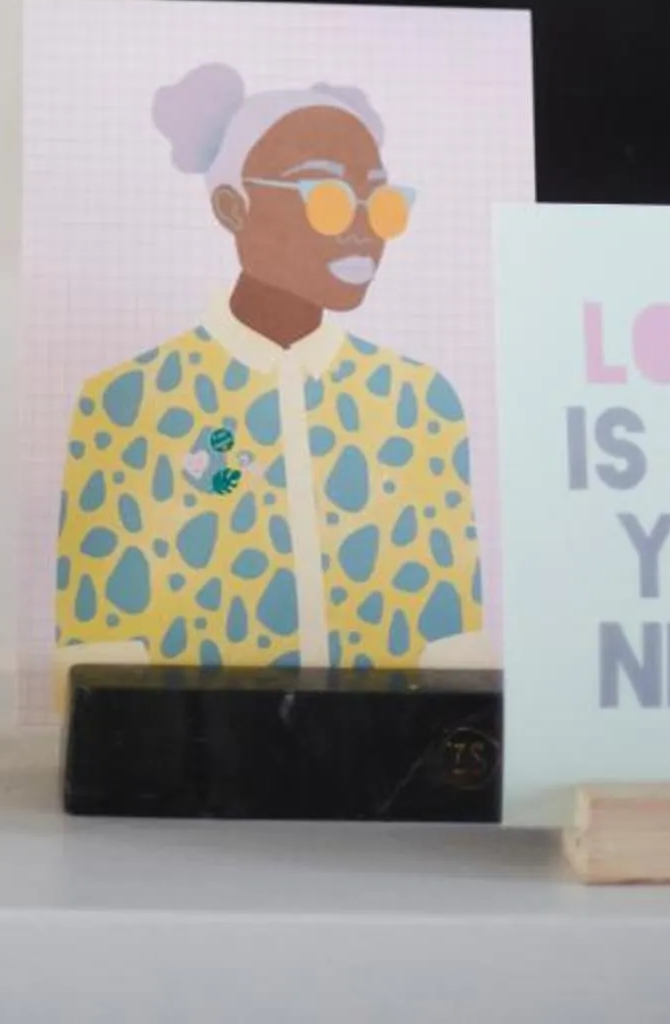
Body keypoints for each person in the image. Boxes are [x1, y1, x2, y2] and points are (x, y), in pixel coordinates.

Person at [54, 61, 482, 681]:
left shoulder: (419, 402)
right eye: (329, 198)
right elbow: (99, 642)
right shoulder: (126, 401)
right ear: (233, 206)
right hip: (199, 758)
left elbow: (450, 635)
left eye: (381, 202)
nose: (365, 230)